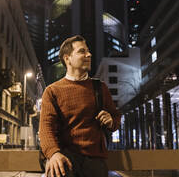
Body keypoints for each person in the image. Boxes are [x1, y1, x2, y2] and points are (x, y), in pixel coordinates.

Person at [39, 35, 121, 177]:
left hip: (95, 162)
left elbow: (116, 118)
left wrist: (111, 121)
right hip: (65, 160)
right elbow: (46, 128)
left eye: (88, 51)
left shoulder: (100, 88)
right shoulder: (52, 91)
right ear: (67, 59)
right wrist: (53, 153)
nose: (89, 54)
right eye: (82, 51)